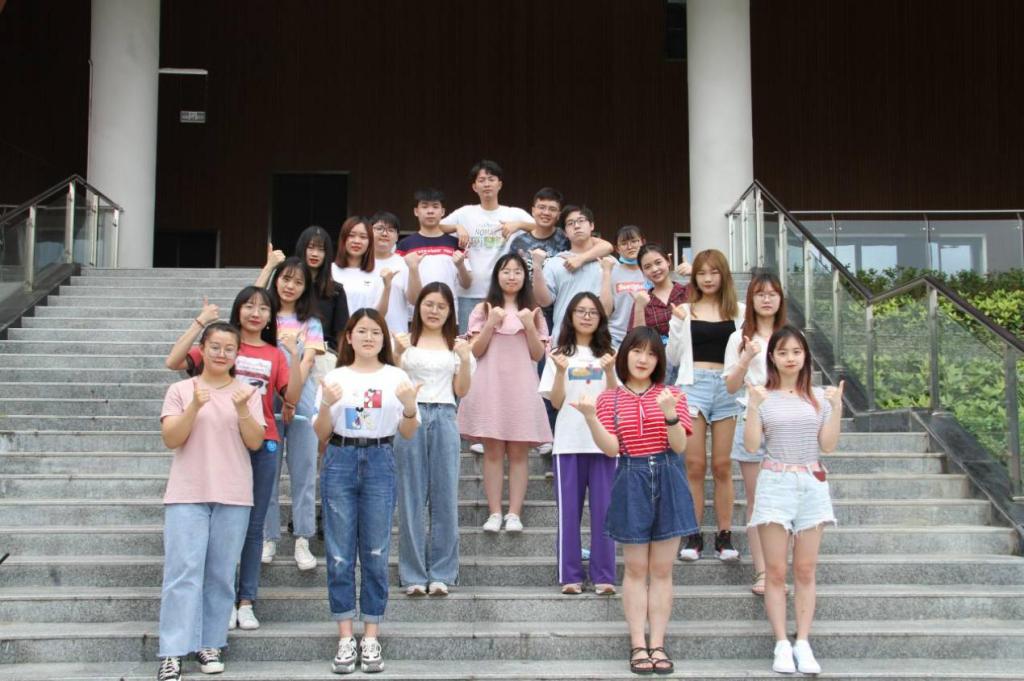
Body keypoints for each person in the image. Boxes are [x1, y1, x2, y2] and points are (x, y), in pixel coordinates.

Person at [164, 287, 303, 631]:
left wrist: (294, 357)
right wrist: (200, 323)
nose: (255, 313)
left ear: (271, 317)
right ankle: (220, 600)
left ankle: (246, 600)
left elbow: (291, 396)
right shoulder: (222, 344)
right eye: (248, 306)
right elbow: (174, 362)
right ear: (238, 310)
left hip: (261, 441)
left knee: (254, 527)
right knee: (217, 526)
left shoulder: (273, 354)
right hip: (219, 442)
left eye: (263, 308)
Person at [571, 326, 694, 675]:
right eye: (637, 351)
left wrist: (669, 413)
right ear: (625, 354)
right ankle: (638, 644)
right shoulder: (609, 398)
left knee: (662, 570)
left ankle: (658, 643)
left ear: (659, 360)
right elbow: (612, 449)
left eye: (652, 353)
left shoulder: (673, 394)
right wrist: (591, 418)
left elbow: (679, 446)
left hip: (668, 476)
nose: (644, 359)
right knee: (636, 569)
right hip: (630, 476)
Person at [156, 322, 265, 681]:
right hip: (188, 493)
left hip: (233, 494)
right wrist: (194, 407)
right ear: (202, 349)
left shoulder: (248, 392)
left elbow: (255, 442)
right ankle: (172, 651)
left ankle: (210, 642)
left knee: (220, 574)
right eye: (215, 347)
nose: (221, 354)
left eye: (229, 348)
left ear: (237, 354)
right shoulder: (180, 389)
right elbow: (172, 438)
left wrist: (243, 409)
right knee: (182, 573)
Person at [314, 309, 421, 675]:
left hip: (380, 458)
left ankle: (371, 635)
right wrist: (326, 404)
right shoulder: (335, 377)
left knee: (376, 551)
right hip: (339, 458)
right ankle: (346, 636)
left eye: (376, 332)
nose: (369, 337)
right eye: (361, 331)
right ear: (348, 336)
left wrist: (410, 408)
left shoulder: (396, 376)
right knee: (339, 553)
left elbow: (408, 432)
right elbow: (320, 432)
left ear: (384, 338)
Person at [744, 326, 843, 675]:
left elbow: (828, 445)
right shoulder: (762, 395)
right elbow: (752, 446)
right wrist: (753, 407)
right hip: (775, 481)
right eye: (783, 352)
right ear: (772, 357)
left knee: (805, 568)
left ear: (805, 357)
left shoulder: (818, 397)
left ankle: (803, 640)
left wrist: (837, 407)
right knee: (775, 570)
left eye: (796, 352)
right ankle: (781, 643)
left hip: (812, 481)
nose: (790, 358)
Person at [457, 252, 551, 533]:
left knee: (520, 453)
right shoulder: (483, 309)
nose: (512, 276)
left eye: (517, 271)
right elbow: (475, 351)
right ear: (497, 276)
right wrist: (490, 323)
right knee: (493, 452)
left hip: (522, 386)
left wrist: (529, 325)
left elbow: (537, 355)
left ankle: (514, 514)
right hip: (490, 386)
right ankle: (495, 512)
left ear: (525, 277)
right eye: (506, 271)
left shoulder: (534, 312)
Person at [393, 282, 474, 597]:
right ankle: (413, 573)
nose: (434, 310)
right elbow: (393, 380)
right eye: (429, 304)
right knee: (411, 496)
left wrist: (464, 359)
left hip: (444, 415)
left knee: (445, 497)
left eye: (441, 306)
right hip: (410, 416)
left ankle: (442, 573)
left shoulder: (456, 345)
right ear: (418, 307)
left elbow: (462, 390)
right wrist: (397, 353)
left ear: (450, 311)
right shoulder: (405, 341)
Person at [666, 248, 745, 563]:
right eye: (701, 273)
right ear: (694, 278)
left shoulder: (739, 311)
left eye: (714, 272)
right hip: (693, 386)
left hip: (727, 387)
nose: (708, 278)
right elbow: (673, 357)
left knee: (723, 466)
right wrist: (678, 325)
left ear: (723, 275)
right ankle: (693, 534)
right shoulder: (685, 310)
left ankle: (724, 536)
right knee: (694, 465)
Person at [537, 291, 617, 595]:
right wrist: (560, 371)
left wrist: (610, 372)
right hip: (569, 443)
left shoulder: (610, 354)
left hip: (603, 444)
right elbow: (556, 402)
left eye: (592, 312)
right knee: (569, 514)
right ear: (570, 316)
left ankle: (604, 574)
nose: (586, 316)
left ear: (600, 319)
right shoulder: (559, 354)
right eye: (581, 311)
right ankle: (570, 575)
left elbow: (615, 400)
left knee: (605, 512)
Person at [722, 270, 787, 595]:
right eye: (760, 294)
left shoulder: (790, 337)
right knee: (756, 500)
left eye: (772, 293)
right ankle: (763, 572)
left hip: (787, 423)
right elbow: (731, 385)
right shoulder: (739, 338)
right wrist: (746, 358)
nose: (766, 299)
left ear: (780, 299)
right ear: (751, 299)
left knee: (785, 499)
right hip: (751, 419)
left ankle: (779, 570)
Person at [262, 257, 325, 570]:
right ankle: (267, 536)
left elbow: (308, 360)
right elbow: (245, 304)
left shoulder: (310, 322)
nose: (290, 286)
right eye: (285, 278)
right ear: (276, 280)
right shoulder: (264, 317)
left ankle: (302, 538)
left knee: (304, 469)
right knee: (267, 470)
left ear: (305, 288)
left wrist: (291, 398)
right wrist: (266, 267)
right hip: (265, 396)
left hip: (301, 395)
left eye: (298, 282)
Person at [437, 160, 534, 331]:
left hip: (504, 293)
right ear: (475, 187)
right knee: (469, 340)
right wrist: (457, 227)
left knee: (502, 340)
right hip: (470, 293)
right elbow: (438, 226)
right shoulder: (465, 212)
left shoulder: (513, 213)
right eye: (481, 180)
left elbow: (540, 227)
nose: (487, 184)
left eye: (491, 179)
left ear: (499, 184)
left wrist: (518, 225)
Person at [258, 226, 350, 352]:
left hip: (323, 354)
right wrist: (269, 267)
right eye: (310, 247)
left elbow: (341, 335)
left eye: (321, 249)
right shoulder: (287, 288)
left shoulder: (335, 291)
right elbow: (253, 299)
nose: (315, 254)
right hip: (282, 350)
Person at [531, 205, 610, 340]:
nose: (576, 226)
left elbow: (610, 309)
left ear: (592, 226)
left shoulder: (608, 263)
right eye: (570, 223)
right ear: (565, 233)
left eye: (581, 221)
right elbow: (543, 301)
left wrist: (582, 259)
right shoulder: (555, 263)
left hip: (600, 341)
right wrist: (537, 268)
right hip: (563, 339)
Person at [397, 189, 472, 317]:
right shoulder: (404, 245)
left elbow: (467, 284)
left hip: (447, 315)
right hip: (414, 315)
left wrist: (460, 265)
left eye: (435, 207)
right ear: (416, 211)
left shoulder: (455, 244)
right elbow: (399, 284)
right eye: (424, 206)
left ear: (442, 212)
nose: (430, 211)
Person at [627, 244, 690, 382]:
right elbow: (636, 339)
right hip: (658, 364)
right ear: (642, 271)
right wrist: (639, 307)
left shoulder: (688, 291)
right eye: (647, 266)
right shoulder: (642, 299)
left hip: (689, 359)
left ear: (668, 261)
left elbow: (722, 293)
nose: (655, 269)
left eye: (658, 262)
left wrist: (696, 272)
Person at [331, 215, 395, 317]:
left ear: (370, 242)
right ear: (343, 239)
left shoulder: (378, 273)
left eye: (363, 237)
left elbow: (380, 314)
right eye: (351, 235)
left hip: (366, 326)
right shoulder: (330, 271)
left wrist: (387, 287)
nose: (357, 241)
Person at [599, 225, 647, 348]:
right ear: (617, 249)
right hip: (615, 338)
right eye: (624, 243)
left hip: (644, 337)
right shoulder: (611, 272)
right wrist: (606, 272)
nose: (630, 247)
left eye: (634, 241)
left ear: (642, 242)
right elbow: (604, 311)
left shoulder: (650, 271)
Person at [369, 211, 411, 334]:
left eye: (391, 230)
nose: (384, 233)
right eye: (379, 228)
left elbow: (414, 300)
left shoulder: (405, 264)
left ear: (397, 237)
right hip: (364, 334)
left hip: (396, 334)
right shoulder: (359, 263)